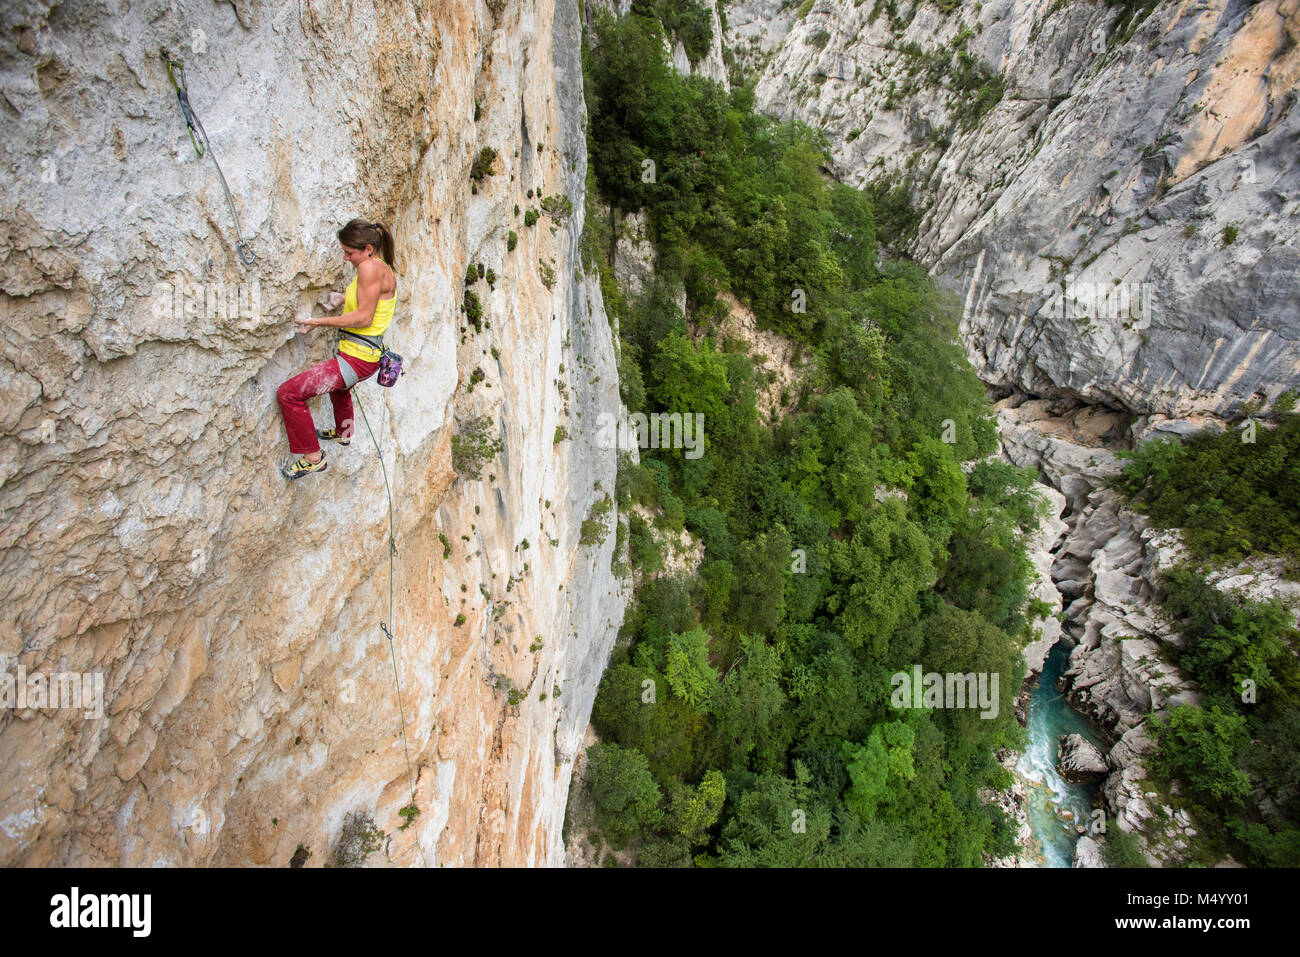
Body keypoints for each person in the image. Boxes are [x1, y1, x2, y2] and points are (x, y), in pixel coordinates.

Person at [277, 219, 397, 478]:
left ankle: (312, 457)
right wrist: (343, 298)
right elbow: (373, 301)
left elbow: (364, 318)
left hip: (358, 358)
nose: (345, 258)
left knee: (289, 394)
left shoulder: (368, 269)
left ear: (367, 249)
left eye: (349, 253)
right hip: (366, 356)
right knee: (340, 388)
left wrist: (317, 322)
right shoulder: (379, 266)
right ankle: (344, 433)